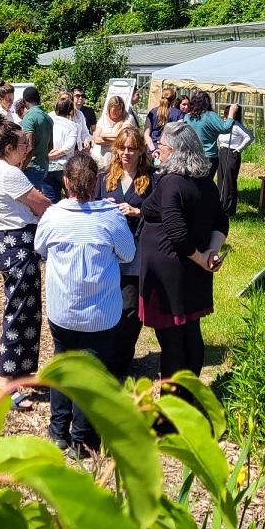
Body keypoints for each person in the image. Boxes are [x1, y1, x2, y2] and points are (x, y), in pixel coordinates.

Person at [35, 153, 136, 455]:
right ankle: (81, 438)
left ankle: (58, 430)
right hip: (100, 313)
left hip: (63, 308)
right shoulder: (111, 217)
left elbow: (40, 247)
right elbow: (128, 254)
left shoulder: (53, 215)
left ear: (65, 181)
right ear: (97, 183)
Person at [138, 121, 229, 379]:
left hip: (171, 274)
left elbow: (177, 233)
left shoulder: (171, 183)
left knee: (172, 343)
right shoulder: (205, 183)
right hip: (191, 271)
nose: (158, 150)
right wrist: (211, 252)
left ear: (176, 150)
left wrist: (203, 258)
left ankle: (172, 406)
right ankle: (189, 393)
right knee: (190, 334)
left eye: (162, 145)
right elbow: (221, 222)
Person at [0, 113, 52, 404]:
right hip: (17, 244)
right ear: (8, 148)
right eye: (22, 143)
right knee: (19, 311)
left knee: (28, 308)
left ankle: (22, 373)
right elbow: (41, 204)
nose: (27, 147)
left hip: (12, 243)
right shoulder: (9, 173)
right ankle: (6, 381)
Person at [94, 127, 153, 379]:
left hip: (136, 253)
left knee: (129, 309)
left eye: (132, 148)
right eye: (122, 148)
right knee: (105, 307)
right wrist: (102, 207)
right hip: (108, 253)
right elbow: (88, 209)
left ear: (141, 151)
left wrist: (137, 212)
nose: (126, 153)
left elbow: (159, 214)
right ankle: (103, 358)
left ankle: (121, 362)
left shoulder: (152, 180)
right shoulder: (105, 178)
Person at [183, 90, 234, 175]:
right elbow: (226, 128)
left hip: (191, 156)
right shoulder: (209, 115)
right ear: (207, 102)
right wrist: (231, 112)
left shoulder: (187, 117)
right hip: (208, 157)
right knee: (206, 183)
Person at [216, 103, 255, 216]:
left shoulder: (236, 126)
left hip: (231, 152)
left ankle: (229, 209)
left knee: (229, 181)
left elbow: (249, 136)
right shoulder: (224, 124)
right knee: (221, 179)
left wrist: (239, 149)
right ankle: (220, 205)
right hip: (222, 152)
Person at [19, 86, 54, 199]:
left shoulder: (29, 118)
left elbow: (29, 147)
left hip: (31, 167)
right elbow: (50, 146)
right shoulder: (48, 118)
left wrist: (21, 168)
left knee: (30, 204)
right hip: (44, 166)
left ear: (25, 101)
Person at [45, 94, 80, 202]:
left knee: (51, 201)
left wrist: (48, 156)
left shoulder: (48, 122)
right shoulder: (72, 125)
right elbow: (69, 147)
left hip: (48, 167)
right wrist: (57, 154)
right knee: (73, 198)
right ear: (70, 111)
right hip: (65, 167)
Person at [92, 95, 136, 165]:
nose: (117, 112)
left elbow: (122, 136)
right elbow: (96, 140)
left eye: (119, 109)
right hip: (105, 160)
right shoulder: (103, 119)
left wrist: (103, 135)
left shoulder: (128, 118)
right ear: (109, 109)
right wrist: (118, 141)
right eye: (114, 110)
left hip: (122, 160)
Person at [143, 88, 182, 156]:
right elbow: (179, 135)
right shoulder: (178, 113)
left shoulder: (152, 112)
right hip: (169, 151)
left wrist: (153, 150)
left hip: (152, 150)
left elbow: (146, 134)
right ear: (174, 99)